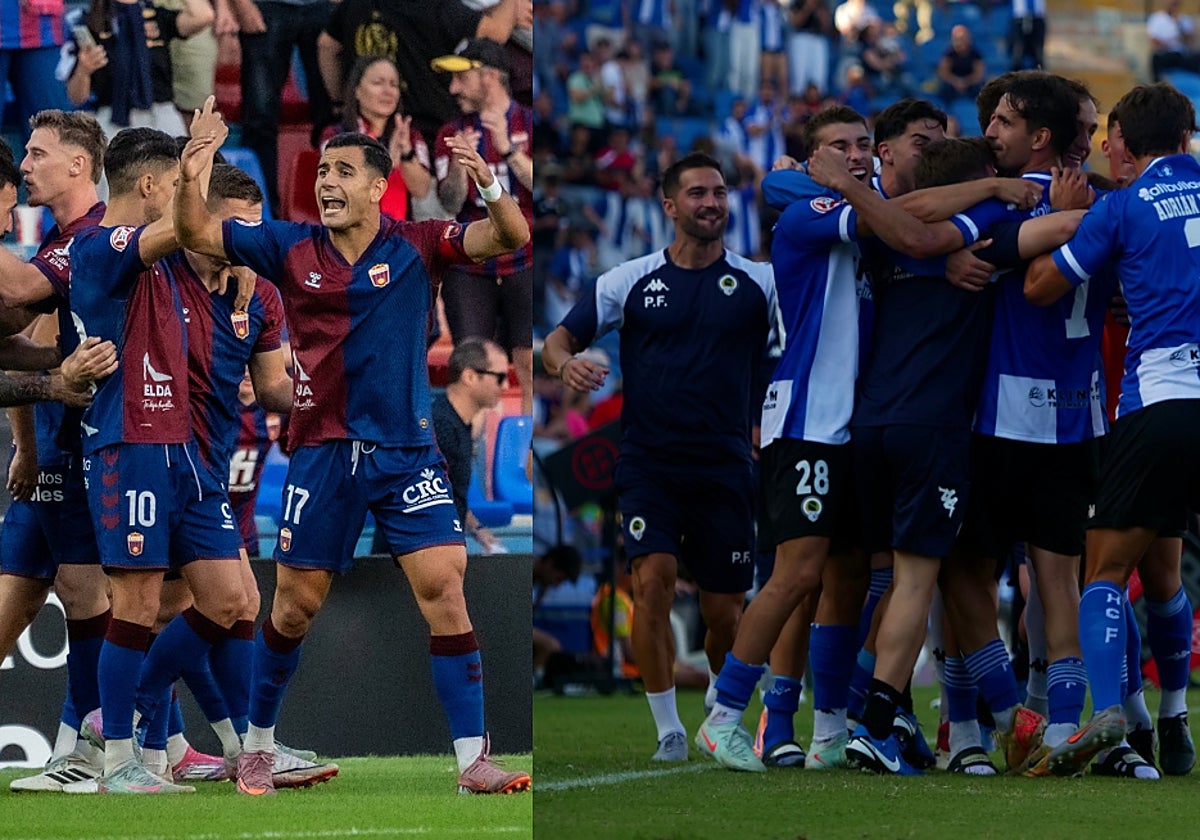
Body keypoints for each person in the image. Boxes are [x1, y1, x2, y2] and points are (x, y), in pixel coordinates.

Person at [173, 112, 531, 795]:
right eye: (323, 173)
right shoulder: (289, 246)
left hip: (405, 452)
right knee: (293, 609)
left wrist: (488, 183)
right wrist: (194, 168)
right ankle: (257, 746)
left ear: (378, 187)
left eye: (343, 173)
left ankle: (471, 761)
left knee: (446, 591)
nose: (328, 183)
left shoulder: (419, 243)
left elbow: (509, 237)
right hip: (323, 451)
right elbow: (193, 231)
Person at [542, 152, 778, 764]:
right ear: (669, 206)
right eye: (698, 193)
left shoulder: (759, 283)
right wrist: (565, 362)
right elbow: (558, 339)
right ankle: (669, 729)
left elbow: (789, 359)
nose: (712, 203)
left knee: (725, 614)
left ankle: (724, 719)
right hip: (649, 464)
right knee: (651, 583)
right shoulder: (631, 280)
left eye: (720, 193)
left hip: (726, 466)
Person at [67, 119, 251, 795]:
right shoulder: (100, 245)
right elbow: (179, 228)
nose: (182, 194)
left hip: (184, 447)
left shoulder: (166, 258)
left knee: (229, 598)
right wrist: (196, 159)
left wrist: (240, 260)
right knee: (138, 604)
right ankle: (120, 760)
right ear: (148, 185)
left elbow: (199, 235)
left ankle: (120, 709)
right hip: (131, 444)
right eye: (172, 183)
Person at [1026, 81, 1200, 778]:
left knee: (1104, 573)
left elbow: (1042, 286)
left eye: (1111, 137)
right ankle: (1176, 717)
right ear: (1187, 141)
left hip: (1160, 403)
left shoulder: (1123, 207)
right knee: (1165, 572)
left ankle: (1106, 718)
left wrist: (1059, 224)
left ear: (1126, 142)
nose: (1104, 147)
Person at [433, 38, 534, 416]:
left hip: (526, 259)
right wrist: (461, 166)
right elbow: (449, 202)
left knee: (529, 367)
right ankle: (467, 471)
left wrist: (508, 149)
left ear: (491, 76)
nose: (453, 88)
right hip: (471, 264)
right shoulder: (452, 131)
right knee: (470, 371)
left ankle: (526, 472)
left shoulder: (531, 121)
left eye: (461, 77)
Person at [316, 0, 523, 143]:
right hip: (430, 132)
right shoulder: (437, 6)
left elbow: (326, 46)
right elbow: (495, 33)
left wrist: (341, 100)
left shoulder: (355, 4)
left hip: (373, 129)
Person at [61, 0, 214, 141]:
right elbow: (77, 97)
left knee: (176, 164)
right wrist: (84, 70)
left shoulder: (156, 15)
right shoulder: (90, 22)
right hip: (113, 118)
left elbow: (204, 16)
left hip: (161, 112)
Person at [322, 56, 434, 222]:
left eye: (393, 84)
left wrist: (406, 154)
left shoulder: (409, 136)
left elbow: (422, 191)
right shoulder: (335, 135)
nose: (388, 91)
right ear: (357, 90)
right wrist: (386, 164)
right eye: (378, 83)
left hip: (400, 236)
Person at [435, 338, 511, 554]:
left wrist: (476, 528)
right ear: (469, 376)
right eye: (499, 378)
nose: (505, 386)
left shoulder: (459, 424)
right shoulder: (440, 427)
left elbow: (451, 494)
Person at [937, 25, 985, 106]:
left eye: (963, 38)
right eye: (957, 39)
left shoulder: (976, 54)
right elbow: (943, 72)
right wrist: (956, 82)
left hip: (970, 82)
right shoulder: (949, 54)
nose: (960, 42)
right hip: (953, 82)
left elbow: (979, 74)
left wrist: (965, 82)